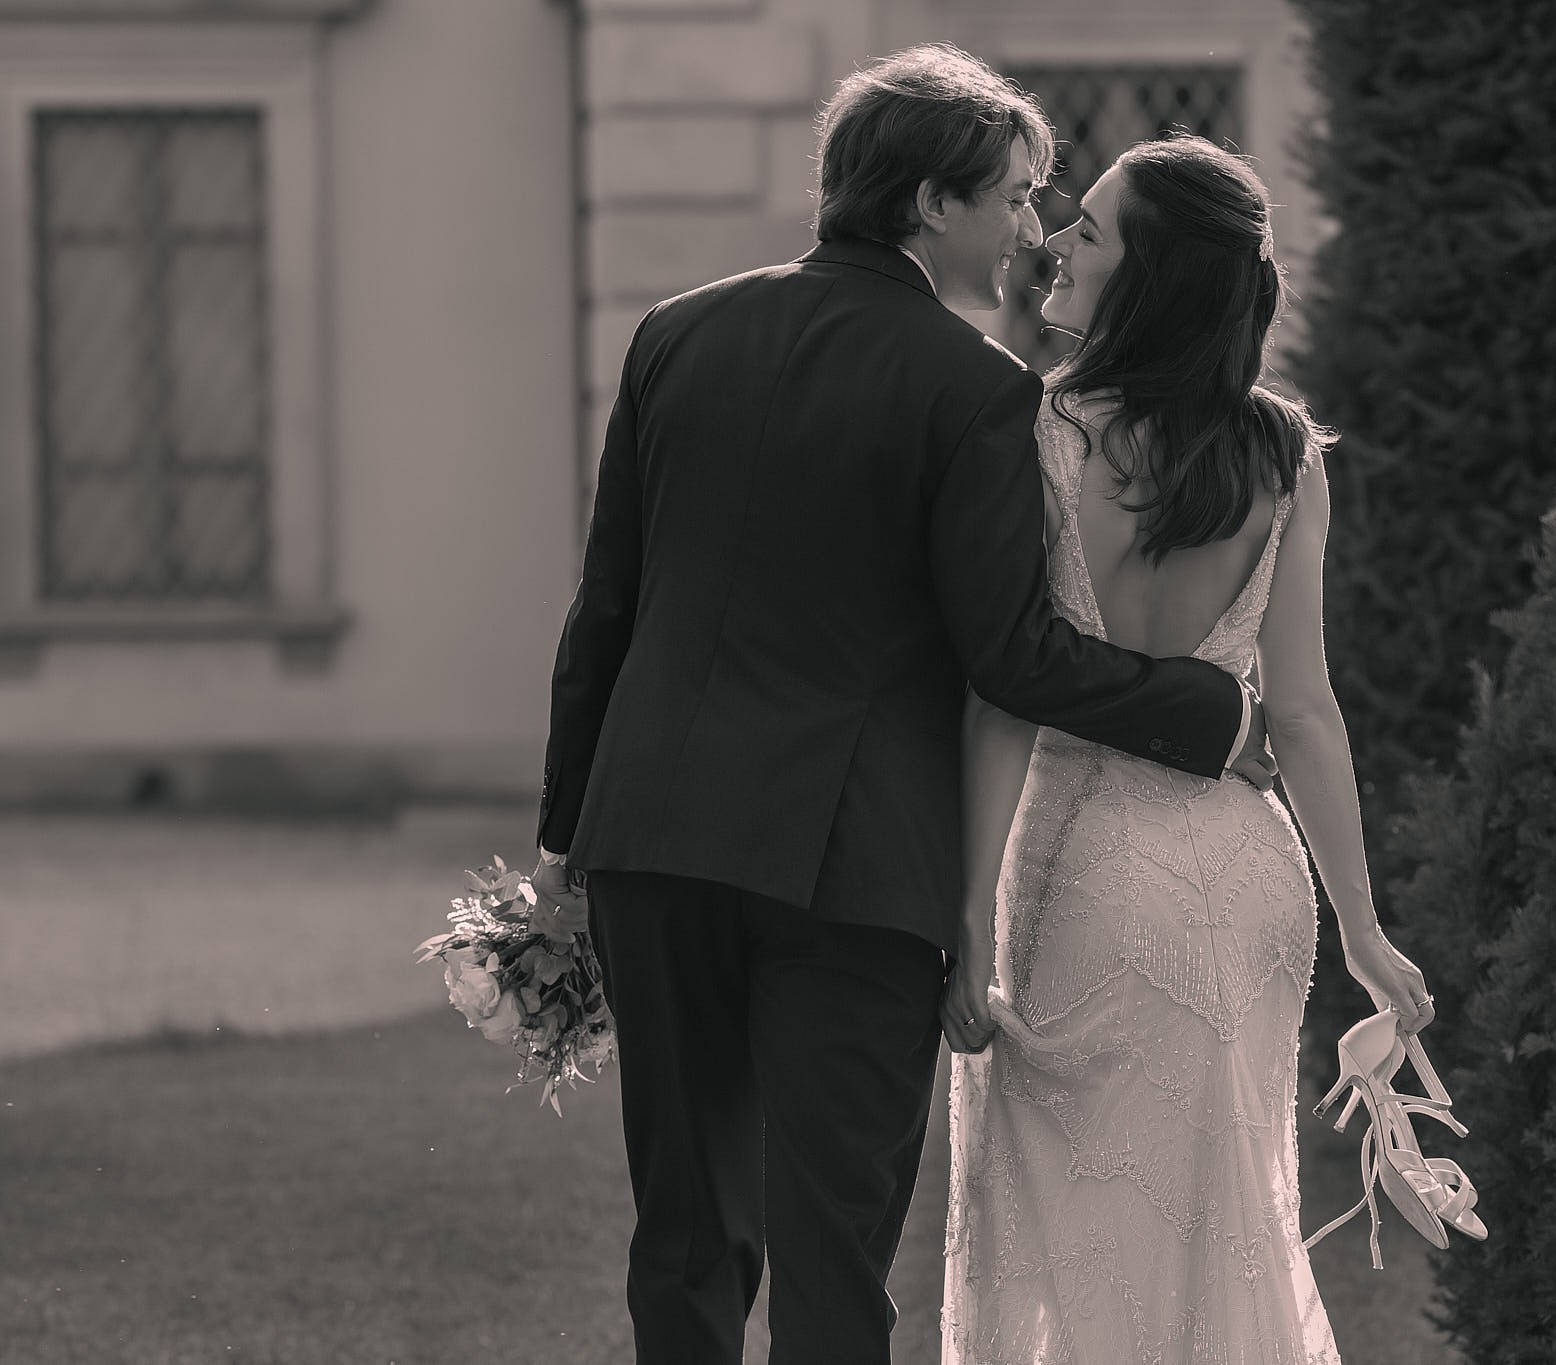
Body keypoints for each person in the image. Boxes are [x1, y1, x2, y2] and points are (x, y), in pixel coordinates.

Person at [529, 48, 1281, 1365]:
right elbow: (1014, 654)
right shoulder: (975, 390)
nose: (1031, 231)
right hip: (852, 871)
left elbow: (603, 613)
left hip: (654, 843)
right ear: (931, 204)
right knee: (835, 1265)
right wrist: (1209, 715)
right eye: (1013, 197)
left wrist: (562, 846)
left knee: (686, 1239)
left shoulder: (673, 333)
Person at [939, 133, 1434, 1364]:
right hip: (1253, 881)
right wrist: (1364, 931)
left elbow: (1005, 697)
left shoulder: (1043, 431)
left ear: (1147, 279)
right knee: (1223, 1227)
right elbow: (1305, 710)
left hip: (1084, 878)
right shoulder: (1282, 454)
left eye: (1088, 231)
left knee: (1070, 1237)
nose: (1053, 238)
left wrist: (960, 923)